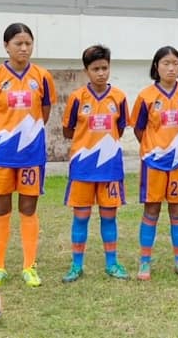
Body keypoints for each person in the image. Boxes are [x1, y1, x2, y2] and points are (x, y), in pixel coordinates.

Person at [0, 23, 56, 288]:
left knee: (28, 208)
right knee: (1, 209)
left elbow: (44, 112)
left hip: (31, 154)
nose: (24, 48)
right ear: (6, 46)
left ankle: (29, 266)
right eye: (18, 44)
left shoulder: (43, 76)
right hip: (1, 155)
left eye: (28, 43)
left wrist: (28, 135)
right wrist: (4, 136)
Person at [130, 46, 178, 280]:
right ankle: (144, 261)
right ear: (156, 67)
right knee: (151, 210)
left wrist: (177, 148)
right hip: (154, 162)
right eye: (166, 63)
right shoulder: (146, 96)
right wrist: (155, 148)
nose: (171, 68)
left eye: (175, 63)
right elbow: (139, 129)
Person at [62, 44, 130, 282]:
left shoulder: (119, 97)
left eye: (104, 68)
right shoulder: (77, 98)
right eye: (95, 69)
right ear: (86, 71)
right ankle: (76, 265)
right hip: (83, 167)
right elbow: (68, 130)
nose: (101, 73)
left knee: (109, 216)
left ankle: (112, 264)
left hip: (110, 167)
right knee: (81, 216)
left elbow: (120, 129)